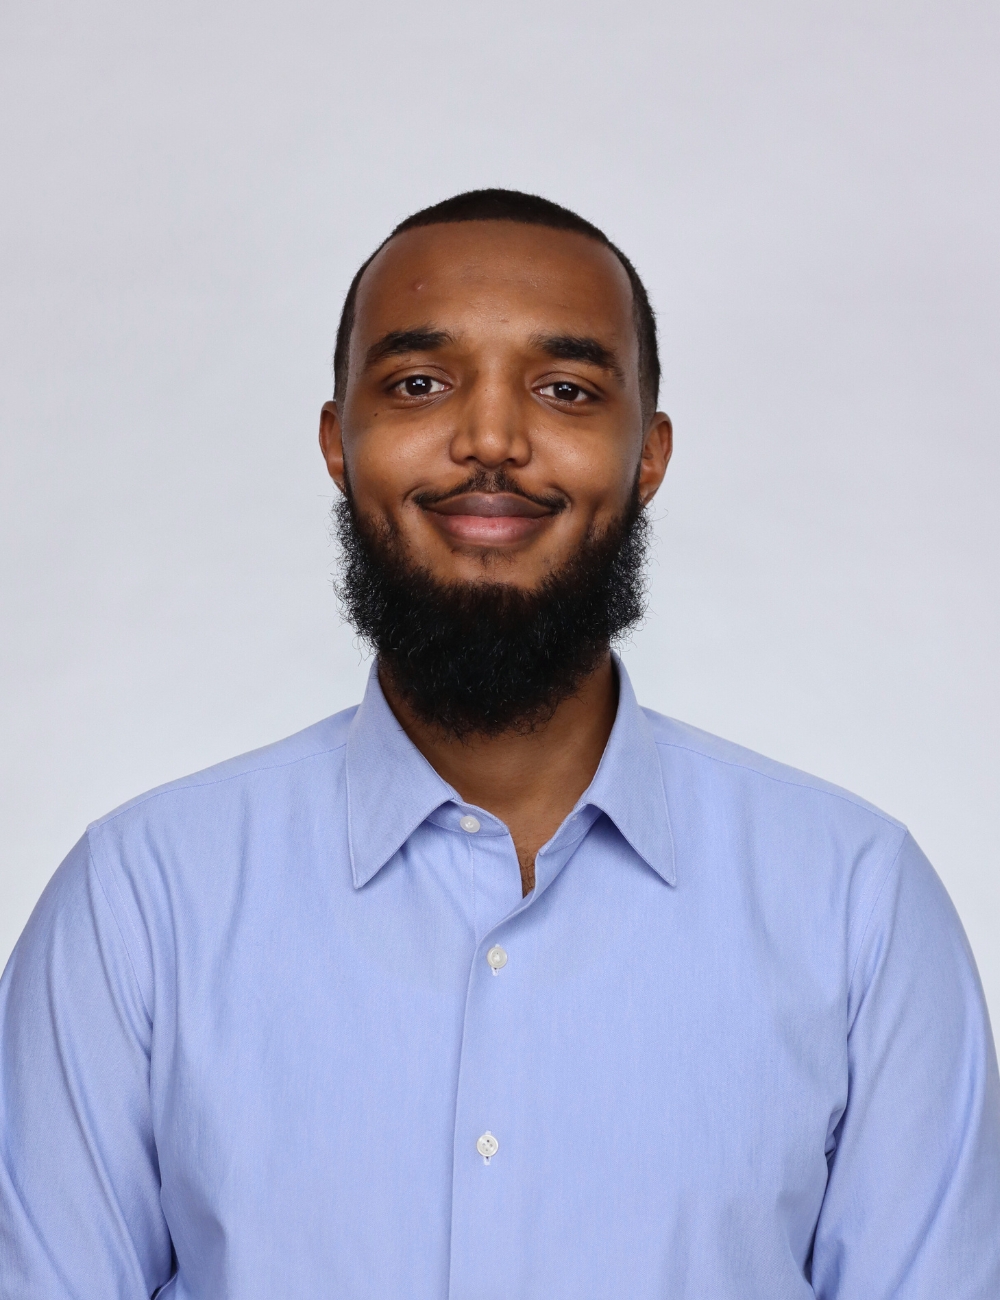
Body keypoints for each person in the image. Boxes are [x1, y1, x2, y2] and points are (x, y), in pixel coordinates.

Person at [1, 188, 998, 1300]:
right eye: (420, 384)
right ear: (338, 442)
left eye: (564, 389)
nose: (490, 440)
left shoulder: (857, 904)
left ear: (647, 455)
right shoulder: (137, 903)